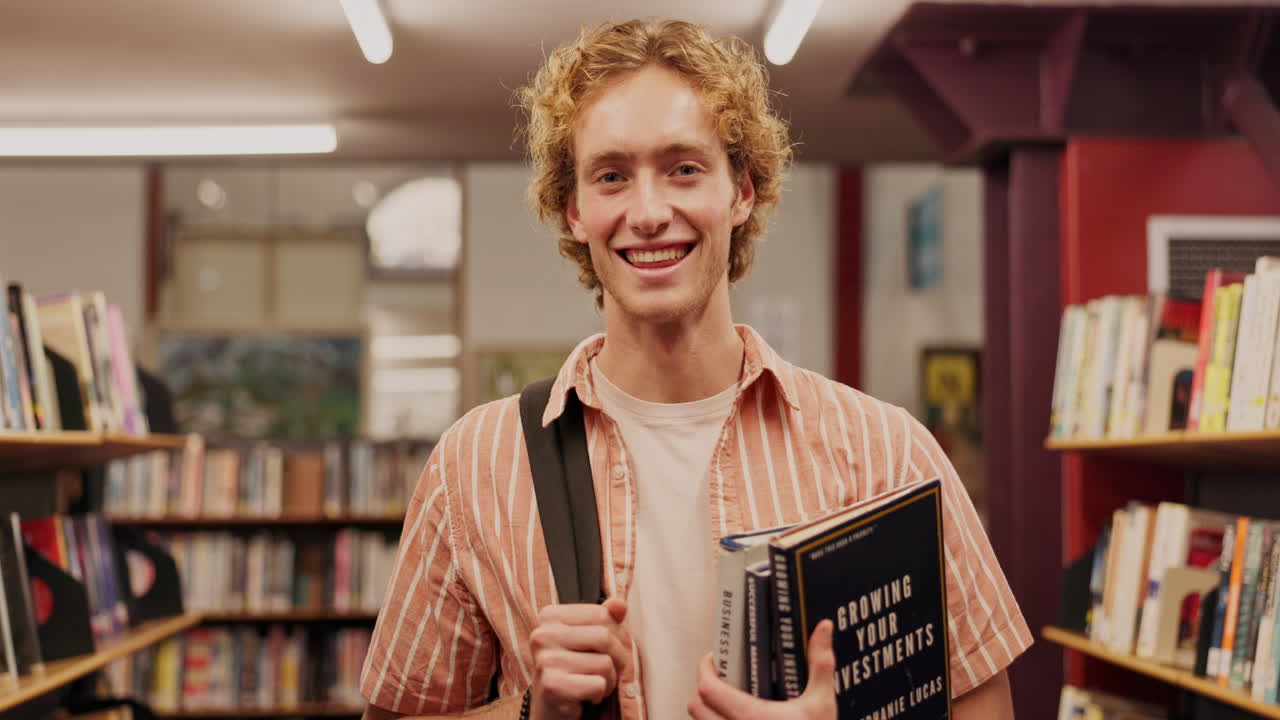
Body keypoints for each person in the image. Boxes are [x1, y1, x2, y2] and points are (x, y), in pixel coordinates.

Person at [360, 19, 1031, 720]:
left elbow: (983, 705)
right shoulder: (475, 467)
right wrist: (531, 711)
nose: (649, 212)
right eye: (612, 176)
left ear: (741, 191)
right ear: (575, 210)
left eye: (684, 168)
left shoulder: (886, 454)